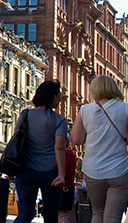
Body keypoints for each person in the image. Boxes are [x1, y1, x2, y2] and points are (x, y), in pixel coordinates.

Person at [71, 75, 128, 223]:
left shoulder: (85, 110)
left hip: (92, 169)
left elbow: (76, 139)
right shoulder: (125, 108)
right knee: (113, 217)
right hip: (119, 169)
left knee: (97, 213)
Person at [14, 80, 67, 223]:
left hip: (24, 170)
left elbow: (16, 137)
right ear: (52, 97)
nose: (60, 99)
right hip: (50, 172)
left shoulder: (25, 114)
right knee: (50, 216)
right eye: (59, 96)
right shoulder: (59, 120)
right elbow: (59, 147)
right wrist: (62, 174)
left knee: (25, 214)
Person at [58, 133, 76, 223]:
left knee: (64, 216)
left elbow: (62, 171)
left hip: (64, 188)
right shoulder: (69, 153)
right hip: (67, 187)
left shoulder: (66, 154)